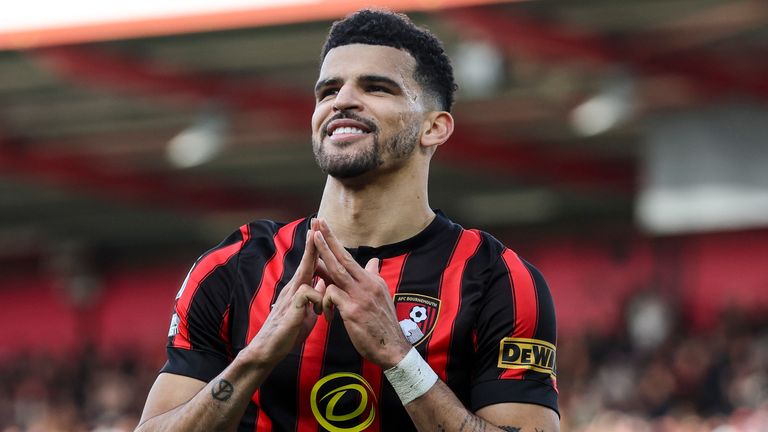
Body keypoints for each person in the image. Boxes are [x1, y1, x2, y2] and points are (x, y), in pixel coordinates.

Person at [136, 9, 559, 432]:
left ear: (435, 127)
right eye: (328, 91)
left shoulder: (497, 279)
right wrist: (256, 356)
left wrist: (398, 355)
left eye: (376, 88)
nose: (342, 101)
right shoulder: (234, 266)